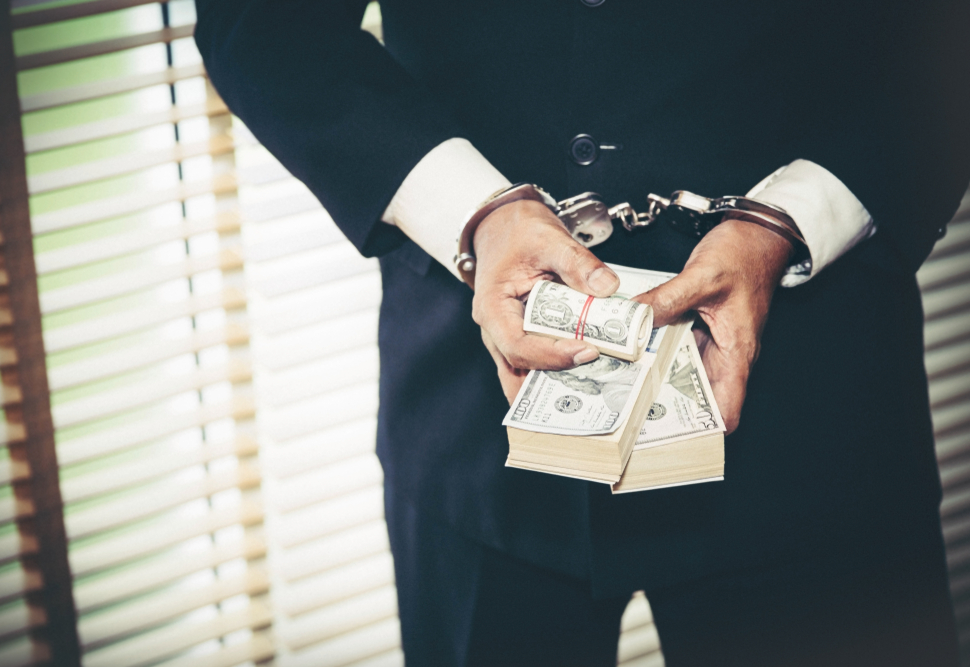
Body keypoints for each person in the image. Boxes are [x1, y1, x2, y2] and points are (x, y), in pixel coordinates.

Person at [194, 1, 970, 665]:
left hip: (815, 409)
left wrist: (794, 218)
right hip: (474, 418)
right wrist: (474, 210)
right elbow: (263, 22)